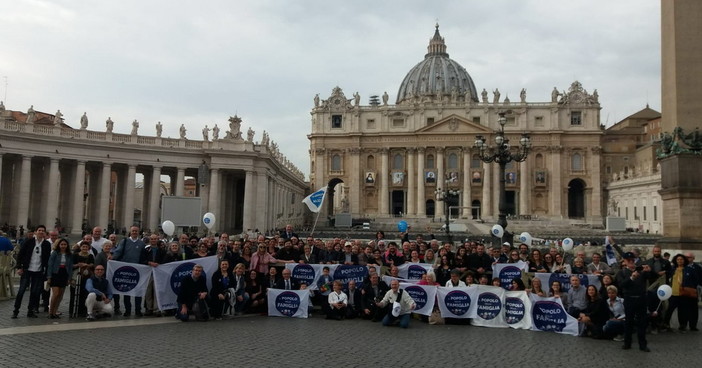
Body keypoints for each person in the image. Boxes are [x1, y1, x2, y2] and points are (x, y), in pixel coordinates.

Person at [12, 225, 51, 319]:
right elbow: (21, 254)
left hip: (38, 271)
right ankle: (16, 311)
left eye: (43, 231)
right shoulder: (28, 242)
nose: (41, 232)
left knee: (35, 292)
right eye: (39, 230)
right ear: (35, 232)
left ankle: (30, 311)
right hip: (27, 270)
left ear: (45, 233)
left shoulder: (46, 244)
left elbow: (47, 258)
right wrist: (19, 267)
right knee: (21, 291)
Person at [616, 252, 652, 352]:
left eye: (632, 260)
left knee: (642, 323)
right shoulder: (621, 272)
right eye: (629, 260)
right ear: (625, 262)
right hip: (629, 299)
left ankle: (643, 344)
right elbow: (621, 285)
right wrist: (632, 277)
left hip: (641, 299)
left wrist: (649, 271)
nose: (631, 262)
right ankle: (627, 343)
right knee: (629, 322)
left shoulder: (641, 271)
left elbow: (652, 278)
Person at [113, 226, 147, 317]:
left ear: (139, 232)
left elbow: (143, 256)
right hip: (126, 269)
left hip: (138, 270)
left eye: (136, 231)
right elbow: (118, 252)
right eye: (133, 231)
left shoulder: (141, 244)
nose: (134, 232)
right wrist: (112, 258)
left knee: (138, 291)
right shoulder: (124, 242)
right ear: (130, 232)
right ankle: (127, 310)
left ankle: (138, 310)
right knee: (126, 291)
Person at [664, 253, 699, 332]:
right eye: (678, 259)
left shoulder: (689, 269)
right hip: (673, 292)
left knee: (682, 310)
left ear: (684, 260)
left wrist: (690, 287)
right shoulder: (672, 269)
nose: (680, 261)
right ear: (675, 261)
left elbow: (696, 280)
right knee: (670, 309)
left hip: (684, 293)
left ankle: (682, 325)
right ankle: (665, 324)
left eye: (681, 259)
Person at [46, 238, 73, 319]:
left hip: (64, 273)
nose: (63, 246)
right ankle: (50, 311)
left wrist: (69, 278)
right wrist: (49, 277)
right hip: (55, 273)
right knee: (56, 293)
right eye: (62, 244)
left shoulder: (69, 254)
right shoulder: (55, 253)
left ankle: (55, 312)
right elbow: (50, 265)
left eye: (65, 244)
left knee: (60, 295)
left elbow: (70, 266)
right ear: (58, 245)